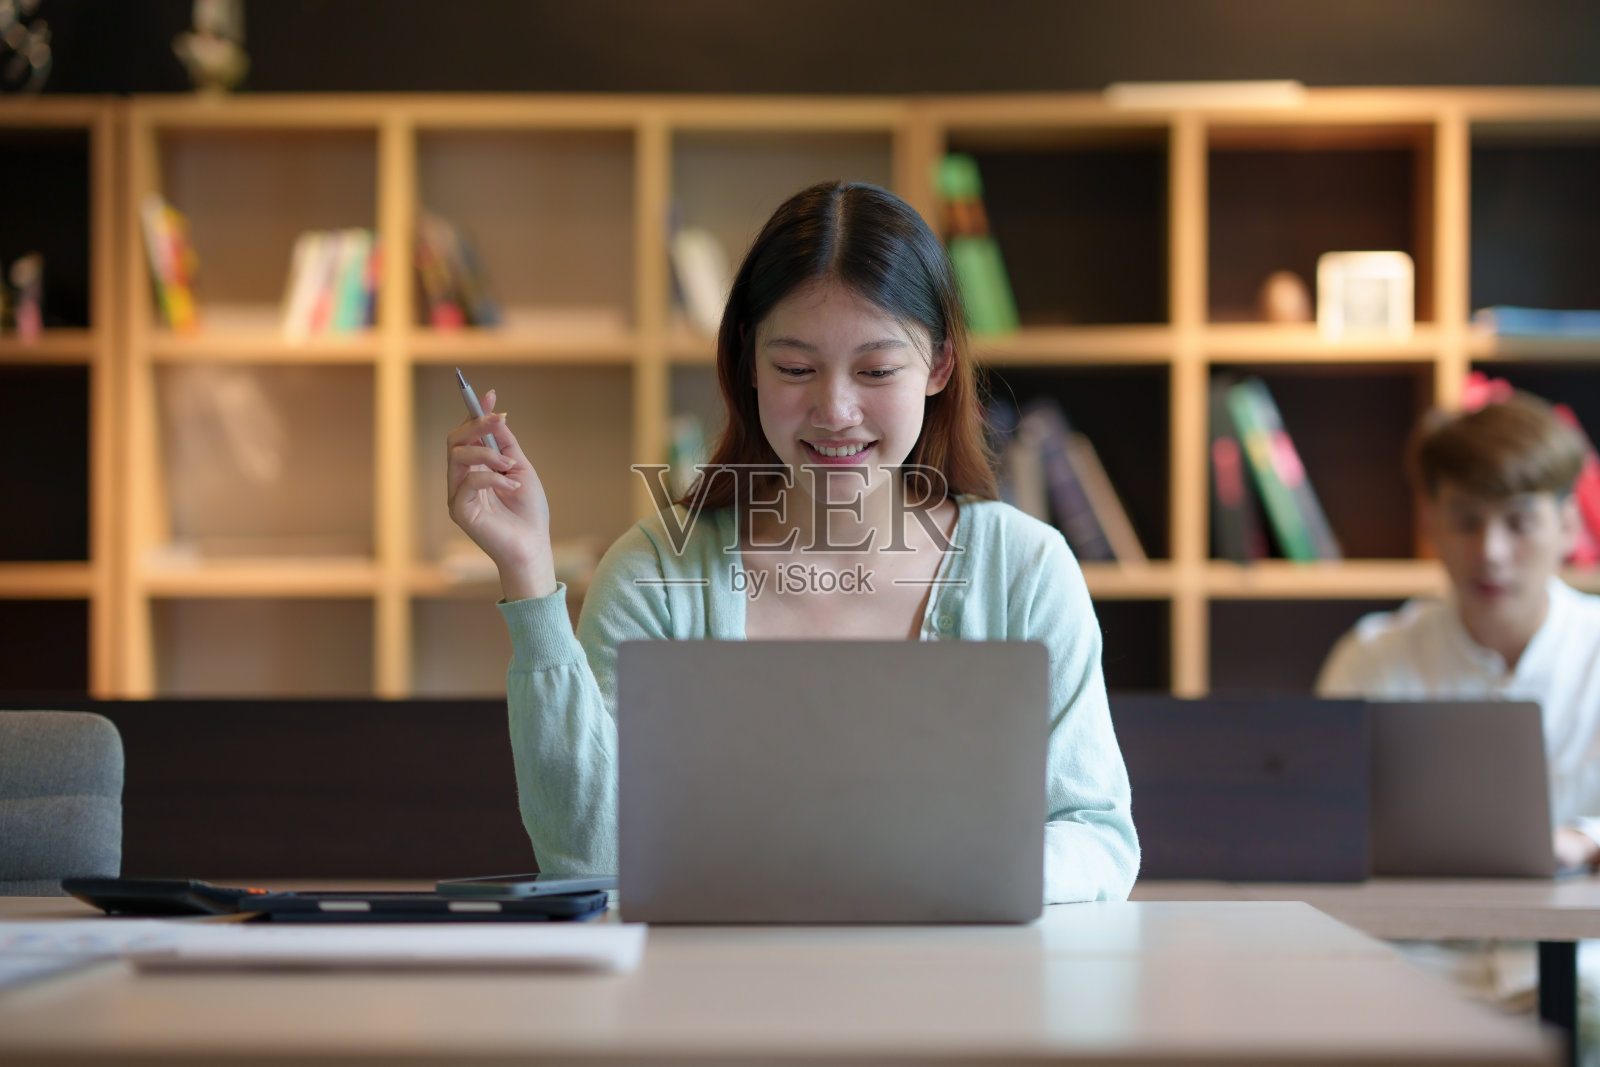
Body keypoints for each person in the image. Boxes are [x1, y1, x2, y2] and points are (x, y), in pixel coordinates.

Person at [445, 180, 1139, 904]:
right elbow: (589, 862)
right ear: (748, 361)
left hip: (957, 1002)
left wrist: (938, 870)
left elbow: (1097, 835)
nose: (835, 410)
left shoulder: (1024, 569)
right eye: (796, 369)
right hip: (721, 1004)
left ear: (937, 365)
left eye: (875, 370)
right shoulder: (658, 570)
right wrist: (526, 571)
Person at [1316, 390, 1600, 1027]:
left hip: (1585, 965)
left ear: (1568, 525)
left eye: (1519, 521)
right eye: (1466, 520)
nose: (1491, 551)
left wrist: (1587, 839)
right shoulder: (1372, 660)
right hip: (1411, 964)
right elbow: (1316, 828)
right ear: (1433, 524)